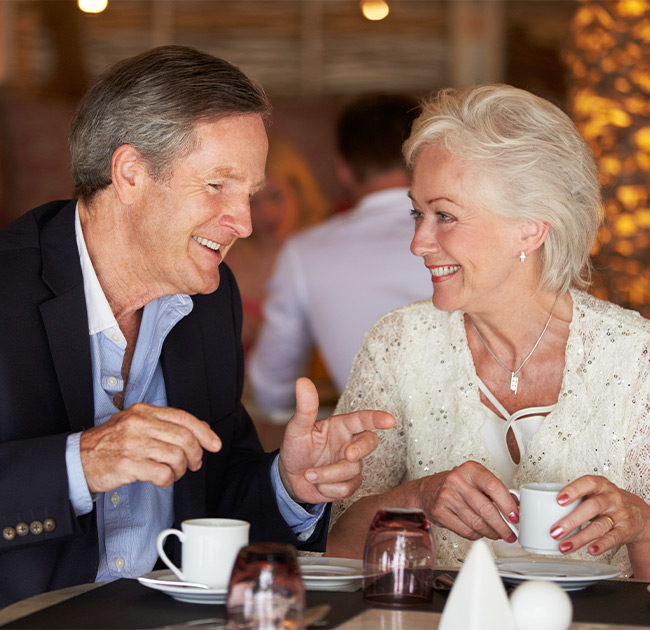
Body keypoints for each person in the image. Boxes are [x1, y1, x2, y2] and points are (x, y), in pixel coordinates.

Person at [0, 45, 395, 608]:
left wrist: (287, 484)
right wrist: (80, 463)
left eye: (250, 193)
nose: (245, 222)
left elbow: (217, 496)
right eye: (217, 186)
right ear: (131, 173)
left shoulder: (210, 299)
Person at [325, 84, 650, 580]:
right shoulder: (398, 344)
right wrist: (416, 498)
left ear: (529, 229)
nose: (418, 242)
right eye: (418, 213)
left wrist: (641, 525)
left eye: (445, 216)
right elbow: (338, 549)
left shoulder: (635, 356)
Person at [248, 94, 431, 423]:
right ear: (423, 159)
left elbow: (271, 385)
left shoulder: (305, 253)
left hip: (370, 446)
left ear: (343, 170)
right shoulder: (465, 233)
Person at [226, 134, 329, 356]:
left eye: (276, 197)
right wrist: (224, 330)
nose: (267, 213)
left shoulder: (324, 252)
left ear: (299, 192)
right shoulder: (224, 256)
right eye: (252, 202)